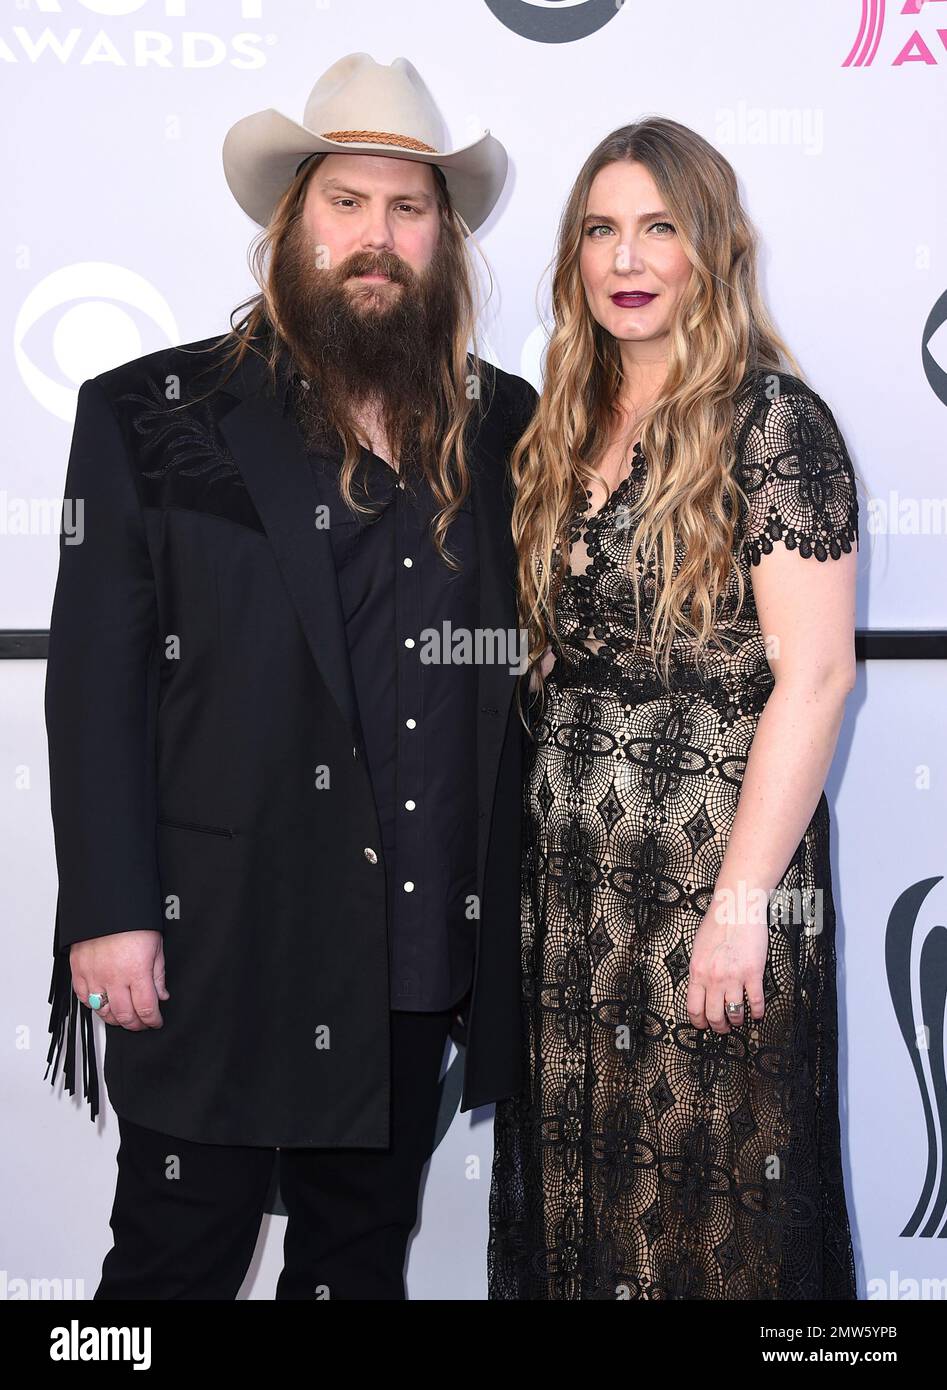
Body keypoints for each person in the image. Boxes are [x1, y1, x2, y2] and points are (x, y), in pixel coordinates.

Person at [44, 52, 537, 1300]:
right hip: (217, 931)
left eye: (409, 208)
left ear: (443, 239)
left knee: (356, 1265)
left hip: (412, 947)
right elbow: (95, 681)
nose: (377, 236)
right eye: (347, 202)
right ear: (290, 223)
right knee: (171, 1263)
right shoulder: (150, 413)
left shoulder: (504, 425)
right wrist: (109, 909)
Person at [488, 118, 861, 1300]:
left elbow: (814, 676)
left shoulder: (773, 425)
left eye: (657, 227)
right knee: (586, 1211)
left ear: (711, 249)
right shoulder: (557, 430)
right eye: (599, 229)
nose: (624, 256)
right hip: (575, 892)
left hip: (710, 878)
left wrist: (739, 906)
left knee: (704, 1224)